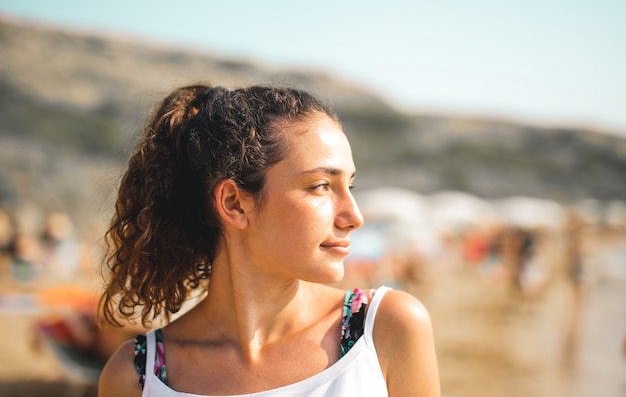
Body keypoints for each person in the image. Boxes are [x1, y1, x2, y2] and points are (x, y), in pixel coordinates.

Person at [98, 83, 440, 397]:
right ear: (234, 203)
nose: (354, 217)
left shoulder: (385, 330)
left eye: (349, 186)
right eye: (321, 186)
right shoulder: (137, 378)